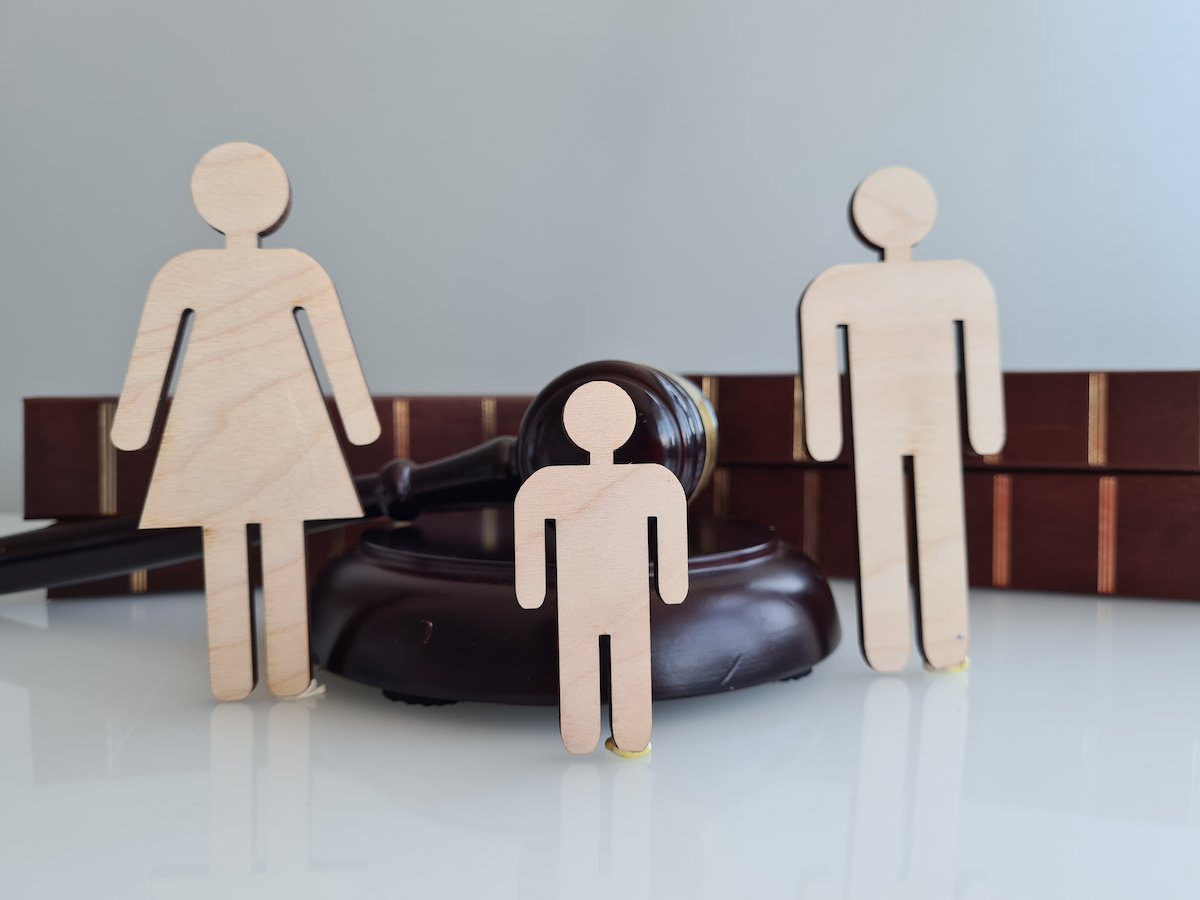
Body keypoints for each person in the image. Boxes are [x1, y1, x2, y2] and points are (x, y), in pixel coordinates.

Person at [112, 142, 381, 701]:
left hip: (251, 419)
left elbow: (151, 357)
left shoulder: (198, 271)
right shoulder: (277, 269)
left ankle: (265, 673)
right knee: (256, 536)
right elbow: (156, 349)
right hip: (240, 421)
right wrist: (357, 420)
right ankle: (264, 674)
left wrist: (133, 424)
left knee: (241, 537)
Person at [798, 166, 1005, 672]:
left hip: (928, 423)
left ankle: (944, 639)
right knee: (886, 529)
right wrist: (825, 431)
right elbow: (819, 347)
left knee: (936, 529)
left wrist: (984, 424)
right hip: (880, 426)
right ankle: (894, 643)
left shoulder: (951, 280)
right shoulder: (843, 286)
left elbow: (980, 350)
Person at [514, 381, 689, 754]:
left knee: (588, 663)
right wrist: (673, 586)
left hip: (590, 599)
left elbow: (528, 522)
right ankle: (627, 736)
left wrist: (531, 589)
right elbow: (673, 529)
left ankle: (586, 738)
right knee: (626, 663)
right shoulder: (653, 481)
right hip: (619, 599)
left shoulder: (548, 483)